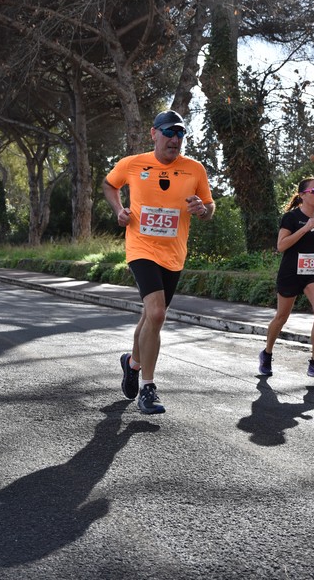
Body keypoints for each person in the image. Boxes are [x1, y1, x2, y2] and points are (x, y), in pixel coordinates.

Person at [103, 110, 215, 414]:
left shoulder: (194, 169)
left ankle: (133, 363)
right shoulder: (133, 164)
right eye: (169, 132)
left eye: (180, 133)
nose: (175, 139)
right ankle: (148, 388)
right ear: (154, 134)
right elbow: (109, 184)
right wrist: (119, 210)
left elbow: (209, 205)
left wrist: (202, 209)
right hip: (141, 247)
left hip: (174, 254)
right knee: (157, 312)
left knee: (150, 317)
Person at [259, 177, 314, 380]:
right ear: (302, 195)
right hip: (291, 272)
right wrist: (305, 228)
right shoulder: (291, 218)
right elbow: (281, 246)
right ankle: (267, 353)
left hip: (312, 272)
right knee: (282, 317)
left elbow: (312, 246)